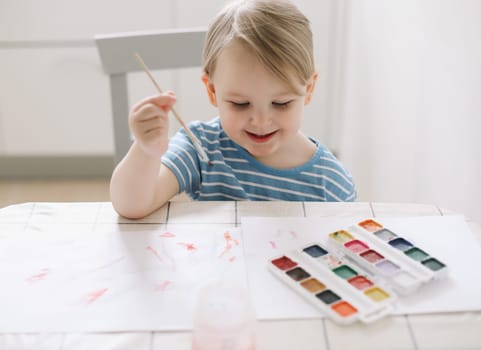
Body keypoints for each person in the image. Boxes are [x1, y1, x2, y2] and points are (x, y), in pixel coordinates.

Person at [110, 0, 356, 219]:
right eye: (240, 104)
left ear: (309, 89)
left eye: (281, 103)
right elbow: (132, 206)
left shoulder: (331, 183)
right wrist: (146, 151)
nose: (260, 121)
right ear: (212, 91)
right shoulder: (201, 148)